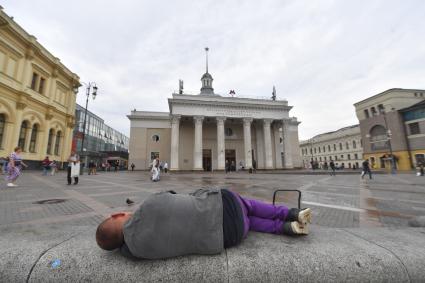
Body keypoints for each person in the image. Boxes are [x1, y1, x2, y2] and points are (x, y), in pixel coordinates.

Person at [96, 188, 312, 259]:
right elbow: (172, 195)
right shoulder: (150, 204)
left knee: (249, 222)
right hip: (226, 206)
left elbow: (127, 249)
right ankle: (292, 213)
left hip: (230, 236)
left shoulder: (137, 252)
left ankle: (285, 228)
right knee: (251, 207)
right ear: (117, 216)